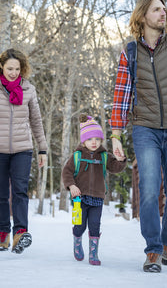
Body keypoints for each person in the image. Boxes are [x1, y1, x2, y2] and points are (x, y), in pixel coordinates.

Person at [109, 0, 167, 272]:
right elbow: (122, 95)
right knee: (149, 189)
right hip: (145, 128)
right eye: (156, 9)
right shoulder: (130, 52)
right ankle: (153, 249)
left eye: (164, 9)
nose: (163, 13)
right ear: (143, 16)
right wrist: (115, 134)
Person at [0, 48, 48, 254]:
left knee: (20, 190)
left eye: (17, 68)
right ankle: (3, 235)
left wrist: (43, 148)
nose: (13, 72)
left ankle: (20, 233)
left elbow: (36, 120)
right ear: (1, 68)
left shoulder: (29, 90)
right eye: (9, 68)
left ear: (22, 69)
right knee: (2, 193)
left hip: (23, 148)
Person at [62, 113, 126, 266]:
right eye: (90, 139)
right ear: (84, 140)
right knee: (80, 225)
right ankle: (77, 242)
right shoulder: (77, 155)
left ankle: (93, 254)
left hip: (97, 197)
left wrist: (121, 159)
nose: (94, 142)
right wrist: (71, 185)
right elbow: (67, 171)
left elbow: (116, 168)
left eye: (97, 139)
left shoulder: (104, 156)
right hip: (79, 198)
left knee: (95, 225)